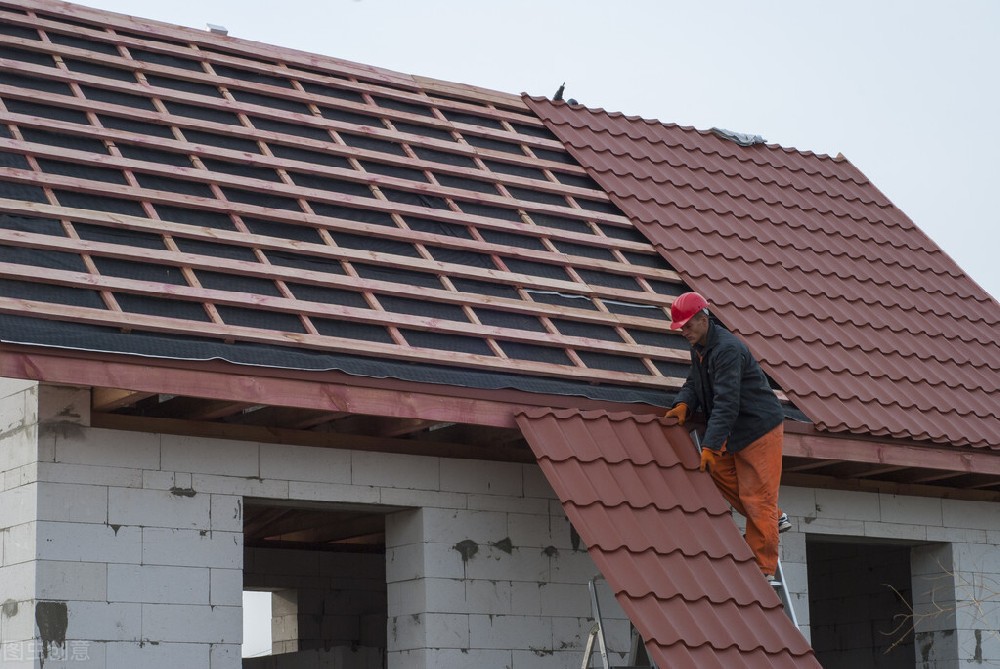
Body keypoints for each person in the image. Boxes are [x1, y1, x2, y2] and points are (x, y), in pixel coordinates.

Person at [663, 292, 789, 581]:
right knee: (721, 473)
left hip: (759, 429)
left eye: (687, 326)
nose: (684, 332)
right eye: (680, 327)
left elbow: (727, 403)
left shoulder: (727, 349)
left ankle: (763, 570)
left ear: (702, 319)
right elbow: (695, 382)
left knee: (758, 499)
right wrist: (683, 403)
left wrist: (709, 445)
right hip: (734, 431)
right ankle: (775, 518)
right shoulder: (701, 347)